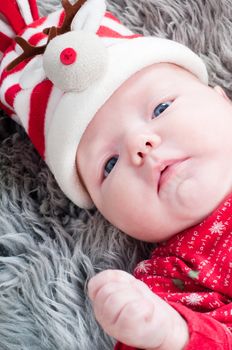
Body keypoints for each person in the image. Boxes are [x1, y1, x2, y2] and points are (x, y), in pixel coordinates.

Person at [1, 0, 231, 349]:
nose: (140, 144)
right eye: (109, 164)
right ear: (102, 210)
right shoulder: (171, 281)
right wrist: (171, 333)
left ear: (222, 99)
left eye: (161, 108)